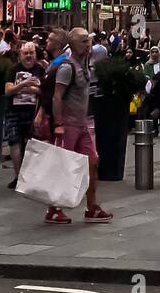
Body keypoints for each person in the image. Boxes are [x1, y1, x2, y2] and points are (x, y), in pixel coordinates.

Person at [45, 28, 112, 225]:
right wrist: (58, 124)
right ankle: (53, 208)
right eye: (83, 41)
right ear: (74, 44)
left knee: (92, 162)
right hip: (68, 124)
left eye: (88, 41)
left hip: (82, 124)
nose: (88, 44)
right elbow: (57, 97)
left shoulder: (84, 65)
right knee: (63, 166)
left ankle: (91, 207)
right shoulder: (67, 67)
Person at [4, 41, 44, 187]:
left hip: (32, 112)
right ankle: (18, 177)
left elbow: (44, 91)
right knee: (14, 143)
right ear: (20, 55)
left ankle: (31, 177)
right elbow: (8, 91)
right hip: (14, 111)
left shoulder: (40, 69)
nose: (28, 56)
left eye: (31, 53)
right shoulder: (13, 70)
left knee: (32, 145)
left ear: (35, 54)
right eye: (25, 53)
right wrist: (23, 84)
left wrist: (34, 90)